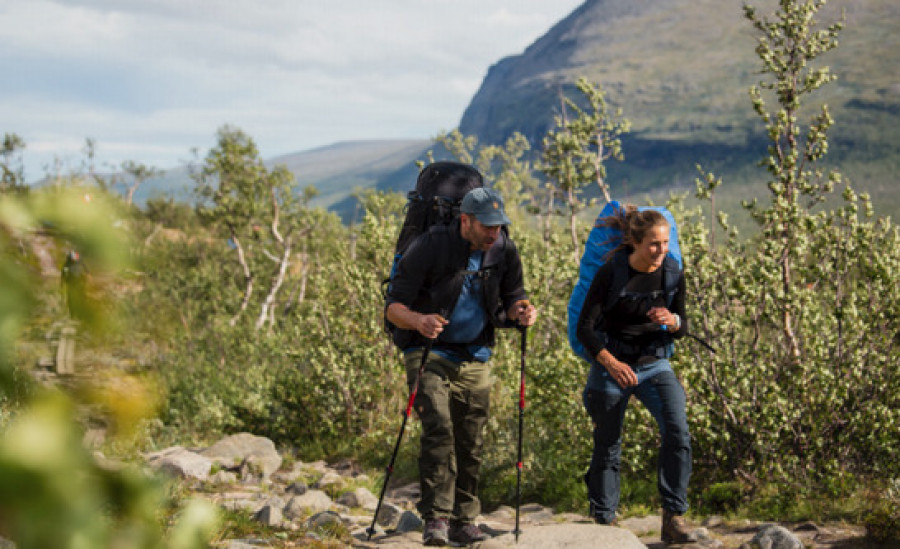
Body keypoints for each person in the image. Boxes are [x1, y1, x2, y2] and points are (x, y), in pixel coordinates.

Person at [385, 185, 537, 546]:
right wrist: (419, 321)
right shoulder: (431, 246)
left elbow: (515, 294)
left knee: (471, 439)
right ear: (465, 220)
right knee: (439, 429)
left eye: (498, 226)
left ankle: (465, 519)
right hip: (428, 351)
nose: (493, 232)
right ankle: (436, 518)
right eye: (486, 225)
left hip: (476, 355)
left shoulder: (504, 249)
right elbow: (393, 306)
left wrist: (522, 310)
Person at [575, 205, 696, 545]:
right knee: (608, 443)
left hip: (654, 364)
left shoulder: (672, 271)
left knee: (678, 432)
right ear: (635, 242)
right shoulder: (611, 273)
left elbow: (682, 326)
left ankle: (673, 518)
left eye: (666, 242)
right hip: (612, 363)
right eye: (654, 244)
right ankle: (605, 521)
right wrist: (611, 363)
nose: (661, 250)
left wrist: (673, 322)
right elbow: (586, 328)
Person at [61, 249, 87, 320]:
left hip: (79, 284)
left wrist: (86, 280)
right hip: (71, 285)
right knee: (71, 300)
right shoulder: (67, 264)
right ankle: (72, 315)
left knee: (81, 299)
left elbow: (86, 272)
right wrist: (63, 282)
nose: (74, 260)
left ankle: (81, 314)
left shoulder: (80, 263)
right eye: (72, 259)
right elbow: (64, 273)